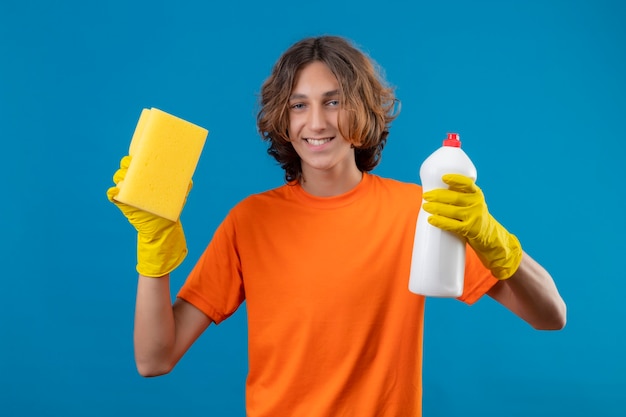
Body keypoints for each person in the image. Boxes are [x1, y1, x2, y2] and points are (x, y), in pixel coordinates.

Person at [107, 35, 566, 417]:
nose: (317, 122)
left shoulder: (417, 212)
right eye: (298, 106)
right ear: (282, 121)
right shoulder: (251, 220)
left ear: (362, 110)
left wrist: (494, 240)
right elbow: (154, 358)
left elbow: (551, 317)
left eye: (334, 102)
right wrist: (154, 244)